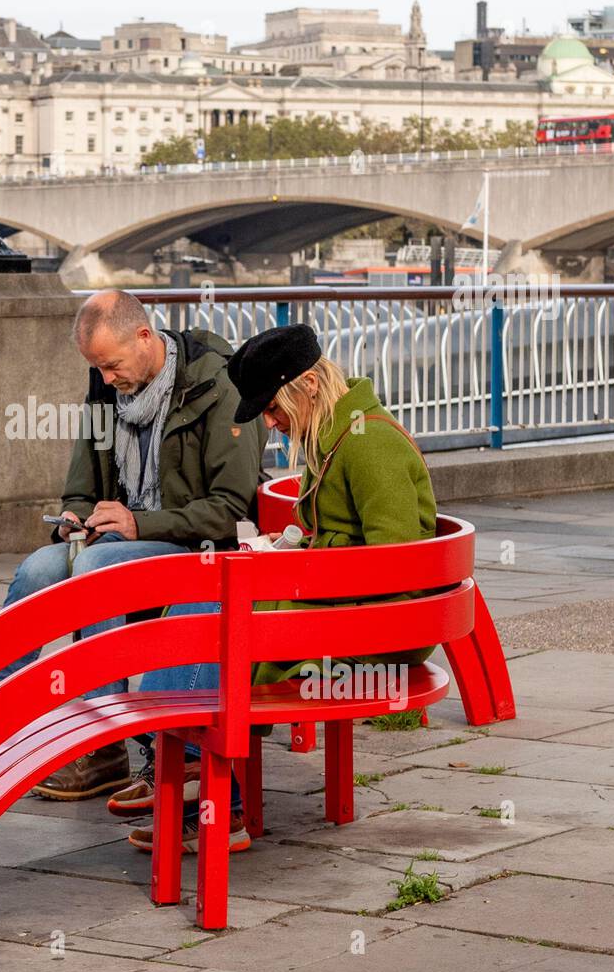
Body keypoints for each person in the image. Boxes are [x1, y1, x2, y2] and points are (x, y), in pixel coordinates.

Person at [120, 322, 437, 854]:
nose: (271, 422)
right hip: (351, 615)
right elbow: (357, 549)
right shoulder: (340, 437)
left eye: (273, 407)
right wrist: (296, 555)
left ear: (308, 385)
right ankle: (201, 782)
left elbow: (394, 578)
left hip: (377, 639)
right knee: (212, 605)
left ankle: (205, 788)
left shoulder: (369, 446)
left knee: (218, 624)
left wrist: (298, 577)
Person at [0, 289, 266, 800]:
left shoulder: (219, 382)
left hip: (196, 544)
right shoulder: (106, 385)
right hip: (123, 537)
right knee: (38, 570)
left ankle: (100, 738)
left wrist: (140, 524)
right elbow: (84, 484)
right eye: (98, 369)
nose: (107, 379)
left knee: (99, 565)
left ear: (144, 337)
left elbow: (230, 507)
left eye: (111, 366)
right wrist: (75, 515)